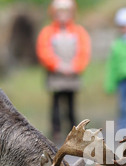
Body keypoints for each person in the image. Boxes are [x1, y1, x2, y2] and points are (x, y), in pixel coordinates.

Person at [36, 0, 91, 142]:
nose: (62, 16)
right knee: (55, 103)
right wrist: (57, 65)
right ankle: (56, 130)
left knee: (71, 104)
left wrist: (76, 66)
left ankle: (74, 131)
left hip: (72, 75)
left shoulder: (78, 32)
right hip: (56, 75)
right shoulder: (48, 32)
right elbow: (44, 51)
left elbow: (84, 51)